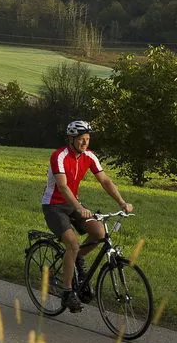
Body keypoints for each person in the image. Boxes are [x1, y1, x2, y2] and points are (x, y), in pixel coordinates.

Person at [40, 120, 133, 313]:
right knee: (72, 243)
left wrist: (122, 202)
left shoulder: (89, 156)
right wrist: (79, 207)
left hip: (74, 203)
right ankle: (67, 291)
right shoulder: (59, 156)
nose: (85, 143)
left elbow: (105, 180)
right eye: (81, 139)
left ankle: (76, 260)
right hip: (54, 206)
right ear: (71, 139)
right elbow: (63, 187)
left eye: (88, 139)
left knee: (99, 233)